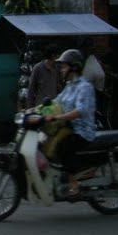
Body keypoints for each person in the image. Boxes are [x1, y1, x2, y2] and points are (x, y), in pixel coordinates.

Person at [43, 48, 97, 199]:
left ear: (74, 67)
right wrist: (32, 111)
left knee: (62, 146)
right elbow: (55, 102)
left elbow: (80, 111)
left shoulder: (84, 86)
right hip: (68, 128)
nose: (61, 70)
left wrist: (57, 118)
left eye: (64, 66)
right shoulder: (70, 86)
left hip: (82, 131)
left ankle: (75, 185)